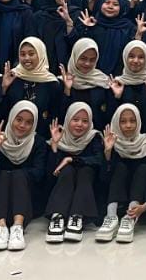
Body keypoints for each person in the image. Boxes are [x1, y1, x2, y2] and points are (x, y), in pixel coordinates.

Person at [0, 101, 47, 251]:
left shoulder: (38, 142)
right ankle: (1, 228)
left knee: (18, 174)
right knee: (2, 175)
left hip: (27, 200)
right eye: (19, 119)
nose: (22, 125)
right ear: (11, 118)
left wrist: (15, 175)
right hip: (1, 201)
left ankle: (17, 228)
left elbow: (39, 173)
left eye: (28, 122)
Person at [43, 102, 104, 243]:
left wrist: (72, 159)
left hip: (88, 185)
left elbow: (99, 160)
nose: (80, 124)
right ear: (68, 119)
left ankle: (77, 216)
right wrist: (54, 146)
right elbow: (51, 171)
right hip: (62, 183)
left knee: (85, 171)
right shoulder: (60, 136)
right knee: (67, 170)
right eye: (75, 120)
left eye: (85, 121)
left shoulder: (93, 137)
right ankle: (57, 216)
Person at [97, 104, 146, 244]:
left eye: (132, 121)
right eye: (123, 121)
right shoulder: (111, 142)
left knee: (144, 168)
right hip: (116, 202)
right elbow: (104, 179)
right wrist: (108, 152)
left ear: (139, 121)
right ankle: (111, 217)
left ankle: (130, 218)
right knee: (120, 167)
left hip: (139, 206)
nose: (128, 125)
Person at [0, 37, 63, 137]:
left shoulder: (52, 83)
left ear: (40, 55)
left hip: (39, 138)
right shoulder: (12, 77)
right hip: (12, 137)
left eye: (31, 54)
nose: (26, 58)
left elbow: (55, 116)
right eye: (22, 54)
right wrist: (4, 88)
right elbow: (2, 112)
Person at [76, 0, 136, 76]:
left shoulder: (128, 27)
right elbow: (81, 50)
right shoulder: (93, 23)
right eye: (107, 2)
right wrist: (86, 28)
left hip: (119, 76)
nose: (110, 7)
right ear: (101, 4)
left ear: (122, 7)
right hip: (91, 75)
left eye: (115, 4)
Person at [29, 0, 79, 75]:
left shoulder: (76, 14)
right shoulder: (39, 17)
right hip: (43, 68)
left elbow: (78, 44)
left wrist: (68, 22)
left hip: (68, 70)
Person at [59, 38, 112, 130]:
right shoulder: (62, 82)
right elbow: (60, 116)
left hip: (95, 135)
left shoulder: (103, 81)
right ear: (75, 57)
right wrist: (67, 90)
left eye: (92, 60)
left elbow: (108, 116)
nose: (87, 63)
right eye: (83, 58)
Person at [108, 40, 146, 124]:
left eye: (141, 57)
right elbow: (110, 119)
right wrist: (117, 97)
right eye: (131, 56)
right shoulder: (117, 84)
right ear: (125, 57)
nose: (135, 61)